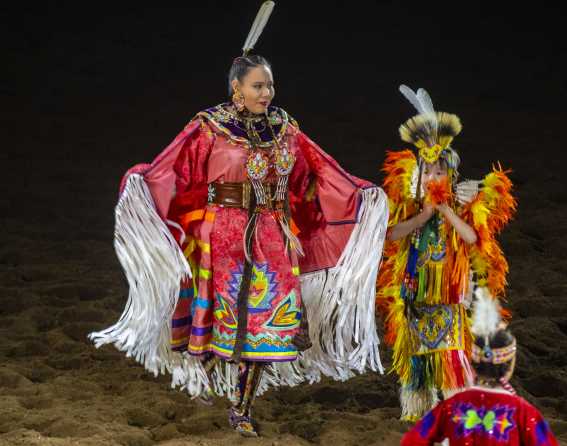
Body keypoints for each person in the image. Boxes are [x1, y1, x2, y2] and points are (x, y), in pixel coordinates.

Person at [89, 1, 389, 437]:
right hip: (222, 235)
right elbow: (174, 171)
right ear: (237, 88)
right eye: (258, 86)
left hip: (272, 235)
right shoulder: (209, 127)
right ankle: (213, 378)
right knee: (221, 318)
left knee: (264, 321)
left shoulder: (286, 128)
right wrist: (141, 184)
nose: (267, 93)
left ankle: (242, 407)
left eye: (271, 86)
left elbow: (320, 171)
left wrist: (363, 195)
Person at [376, 85, 516, 421]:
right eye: (428, 172)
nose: (433, 177)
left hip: (449, 299)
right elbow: (391, 235)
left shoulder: (461, 207)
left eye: (440, 172)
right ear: (418, 176)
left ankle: (459, 407)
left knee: (452, 356)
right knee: (417, 360)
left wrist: (446, 212)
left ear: (451, 176)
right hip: (414, 295)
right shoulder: (408, 206)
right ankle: (418, 411)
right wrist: (423, 215)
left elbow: (471, 239)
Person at [401, 288, 559, 445]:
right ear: (509, 367)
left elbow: (413, 440)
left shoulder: (449, 409)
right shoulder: (523, 412)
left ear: (474, 364)